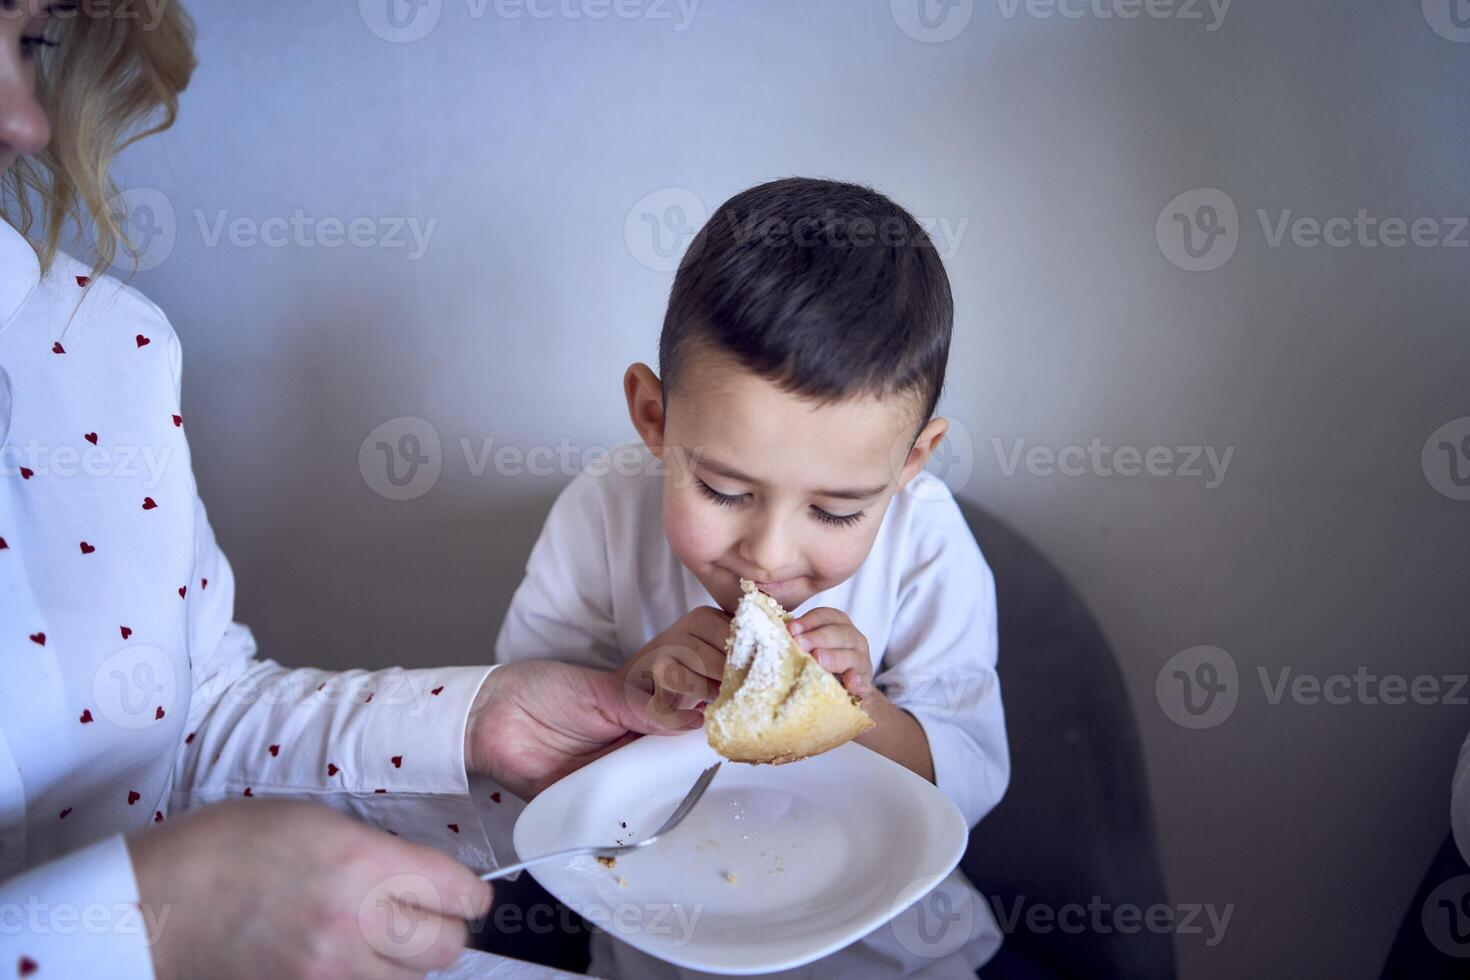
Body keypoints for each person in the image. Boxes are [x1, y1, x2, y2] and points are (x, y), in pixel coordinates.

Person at [0, 3, 691, 978]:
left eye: (29, 41)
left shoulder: (110, 346)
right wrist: (142, 924)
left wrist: (475, 723)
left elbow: (195, 718)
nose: (23, 120)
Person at [488, 177, 1011, 978]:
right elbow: (523, 730)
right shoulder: (601, 512)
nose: (767, 555)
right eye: (725, 492)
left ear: (910, 462)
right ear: (654, 418)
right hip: (656, 936)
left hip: (894, 948)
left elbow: (973, 768)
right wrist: (631, 690)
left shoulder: (928, 541)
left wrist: (860, 712)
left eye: (835, 513)